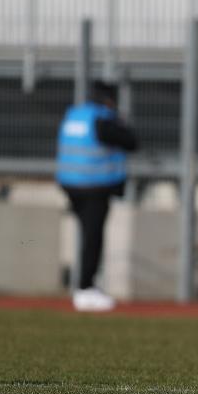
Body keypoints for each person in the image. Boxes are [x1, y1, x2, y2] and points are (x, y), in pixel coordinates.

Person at [56, 81, 138, 312]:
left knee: (87, 235)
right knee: (93, 237)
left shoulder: (75, 115)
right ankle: (85, 288)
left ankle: (85, 286)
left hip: (71, 184)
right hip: (94, 185)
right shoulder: (102, 118)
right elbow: (131, 141)